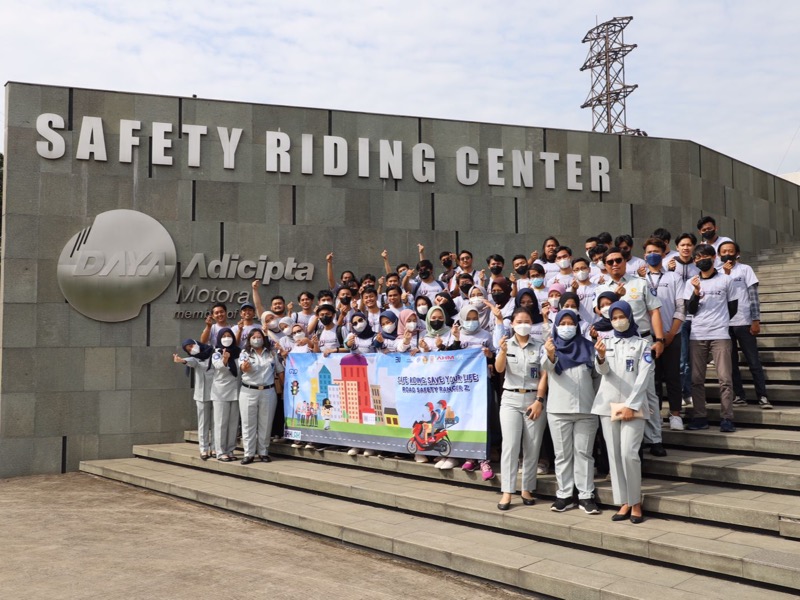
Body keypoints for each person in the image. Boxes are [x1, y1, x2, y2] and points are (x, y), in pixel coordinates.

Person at [596, 246, 667, 457]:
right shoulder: (600, 289)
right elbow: (600, 319)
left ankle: (654, 438)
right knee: (619, 388)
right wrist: (615, 299)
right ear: (605, 265)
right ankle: (625, 435)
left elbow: (654, 311)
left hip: (642, 341)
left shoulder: (640, 283)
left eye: (618, 260)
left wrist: (660, 339)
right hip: (614, 345)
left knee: (649, 391)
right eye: (610, 262)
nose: (615, 264)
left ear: (625, 261)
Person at [593, 301, 654, 524]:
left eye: (622, 316)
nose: (618, 320)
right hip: (608, 404)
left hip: (633, 406)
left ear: (629, 316)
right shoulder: (605, 342)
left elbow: (644, 376)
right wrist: (600, 357)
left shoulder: (642, 344)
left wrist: (632, 404)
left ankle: (636, 501)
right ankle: (624, 501)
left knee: (629, 453)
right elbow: (602, 371)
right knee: (615, 455)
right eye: (614, 317)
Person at [541, 310, 601, 514]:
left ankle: (586, 495)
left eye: (571, 323)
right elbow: (545, 368)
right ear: (556, 326)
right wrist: (550, 354)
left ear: (577, 325)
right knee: (563, 455)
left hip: (586, 409)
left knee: (584, 453)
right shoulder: (550, 347)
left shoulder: (589, 347)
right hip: (558, 410)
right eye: (562, 323)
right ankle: (564, 495)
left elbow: (598, 376)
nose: (567, 326)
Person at [494, 307, 548, 510]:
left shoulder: (540, 346)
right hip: (510, 398)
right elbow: (499, 369)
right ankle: (507, 491)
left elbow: (544, 374)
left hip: (533, 399)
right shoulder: (506, 344)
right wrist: (502, 351)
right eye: (519, 321)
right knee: (510, 446)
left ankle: (527, 488)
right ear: (513, 324)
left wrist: (540, 400)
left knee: (532, 446)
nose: (523, 324)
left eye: (527, 321)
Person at [683, 244, 737, 432]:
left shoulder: (726, 280)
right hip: (697, 335)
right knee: (697, 379)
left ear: (714, 257)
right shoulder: (691, 282)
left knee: (725, 378)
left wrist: (721, 322)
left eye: (705, 256)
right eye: (697, 258)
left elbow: (733, 307)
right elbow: (689, 310)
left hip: (720, 334)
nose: (701, 260)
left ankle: (727, 418)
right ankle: (700, 416)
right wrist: (696, 293)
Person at [719, 241, 772, 409]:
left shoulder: (745, 269)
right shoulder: (717, 273)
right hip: (725, 324)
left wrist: (755, 320)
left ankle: (762, 396)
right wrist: (725, 275)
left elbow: (753, 296)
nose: (727, 253)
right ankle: (739, 395)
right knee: (731, 363)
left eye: (730, 251)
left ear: (737, 253)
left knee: (753, 361)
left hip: (744, 321)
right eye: (724, 251)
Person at [642, 237, 687, 430]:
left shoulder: (674, 277)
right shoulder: (639, 280)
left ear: (663, 254)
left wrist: (671, 333)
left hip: (671, 334)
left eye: (656, 252)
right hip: (647, 337)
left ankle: (675, 414)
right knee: (653, 379)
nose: (652, 255)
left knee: (672, 376)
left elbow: (681, 308)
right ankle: (656, 415)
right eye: (648, 252)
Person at [238, 329, 284, 464]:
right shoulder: (245, 353)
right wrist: (245, 367)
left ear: (264, 339)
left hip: (268, 391)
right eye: (254, 337)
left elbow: (280, 370)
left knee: (266, 422)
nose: (257, 339)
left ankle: (263, 452)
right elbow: (242, 367)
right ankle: (249, 453)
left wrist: (285, 387)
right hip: (248, 391)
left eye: (259, 337)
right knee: (248, 424)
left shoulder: (271, 353)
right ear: (249, 339)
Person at [173, 339, 215, 460]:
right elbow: (190, 361)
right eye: (188, 349)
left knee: (216, 422)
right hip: (202, 395)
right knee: (203, 423)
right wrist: (182, 360)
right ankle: (204, 449)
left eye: (192, 346)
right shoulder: (195, 358)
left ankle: (215, 447)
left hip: (217, 393)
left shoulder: (212, 352)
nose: (192, 349)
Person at [210, 327, 241, 462]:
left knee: (233, 423)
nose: (227, 338)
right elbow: (218, 366)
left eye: (229, 335)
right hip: (221, 392)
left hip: (236, 391)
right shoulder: (216, 352)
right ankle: (220, 451)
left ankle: (230, 449)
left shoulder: (239, 352)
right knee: (221, 423)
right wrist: (224, 359)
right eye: (224, 336)